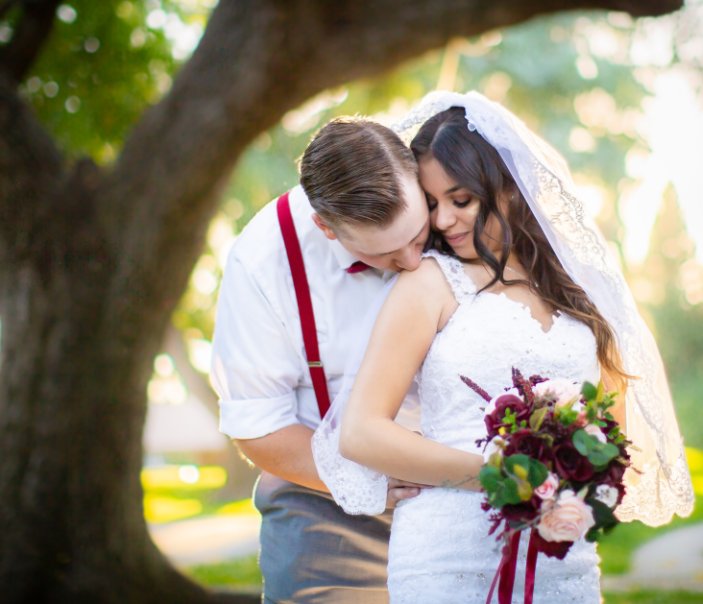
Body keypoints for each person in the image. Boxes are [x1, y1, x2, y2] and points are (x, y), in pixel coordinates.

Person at [312, 91, 694, 602]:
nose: (443, 220)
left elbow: (610, 427)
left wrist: (580, 476)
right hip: (448, 555)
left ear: (508, 188)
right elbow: (360, 433)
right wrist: (500, 476)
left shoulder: (577, 291)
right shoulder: (429, 283)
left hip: (562, 555)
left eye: (461, 199)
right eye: (431, 205)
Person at [209, 116, 433, 603]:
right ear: (326, 228)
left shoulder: (455, 196)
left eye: (419, 237)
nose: (414, 264)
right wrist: (362, 479)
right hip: (325, 508)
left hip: (462, 498)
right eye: (386, 255)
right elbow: (258, 427)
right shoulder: (262, 260)